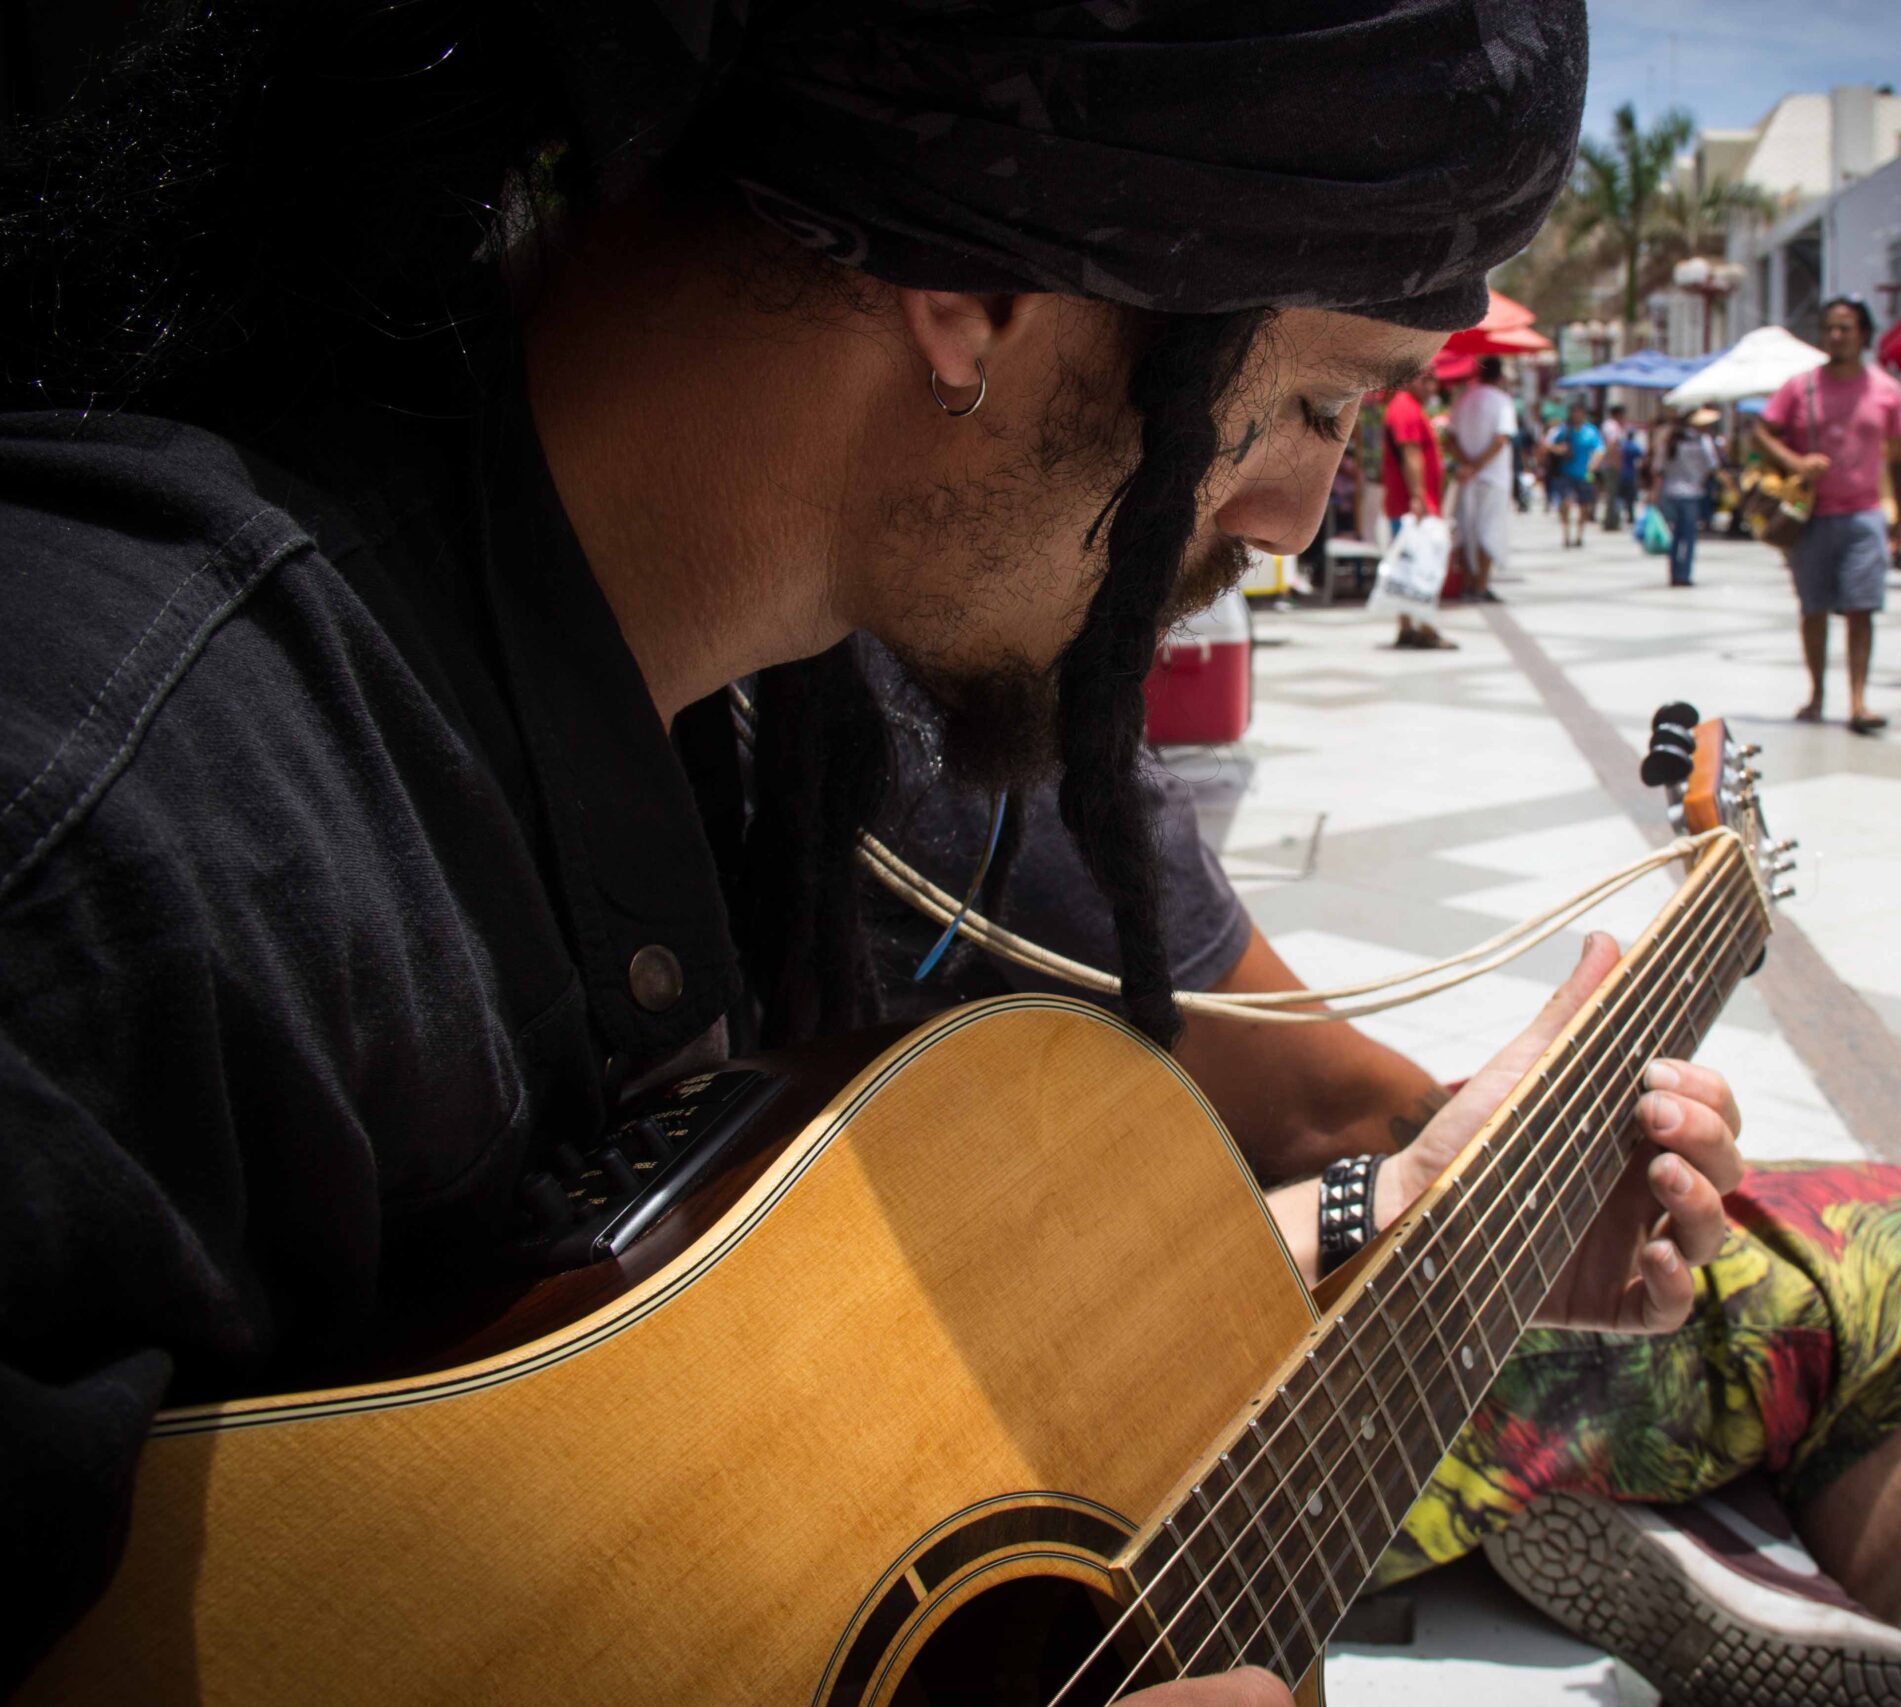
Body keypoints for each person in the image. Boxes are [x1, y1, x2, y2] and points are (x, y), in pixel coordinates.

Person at [0, 5, 1755, 1696]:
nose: (1303, 517)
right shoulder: (101, 855)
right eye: (1318, 406)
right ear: (981, 290)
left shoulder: (789, 734)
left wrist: (1425, 1215)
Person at [863, 666, 1901, 1706]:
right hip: (1210, 1469)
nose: (1290, 518)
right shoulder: (971, 718)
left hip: (1068, 1439)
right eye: (1306, 424)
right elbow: (1328, 1111)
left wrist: (1432, 1183)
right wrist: (1430, 1182)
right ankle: (1744, 1548)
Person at [1755, 297, 1901, 735]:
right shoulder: (1799, 387)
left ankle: (1858, 700)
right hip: (1812, 516)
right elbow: (1763, 431)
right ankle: (1817, 693)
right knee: (1814, 608)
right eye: (1829, 328)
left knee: (1862, 609)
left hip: (1865, 515)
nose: (1836, 336)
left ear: (1863, 334)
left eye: (1845, 328)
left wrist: (1899, 514)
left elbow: (1898, 456)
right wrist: (1797, 463)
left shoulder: (1886, 391)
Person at [1380, 368, 1457, 648]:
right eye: (1427, 379)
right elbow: (1410, 451)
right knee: (1423, 568)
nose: (1432, 386)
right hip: (1413, 506)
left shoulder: (1406, 406)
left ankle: (1407, 627)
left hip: (1409, 504)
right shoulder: (1405, 407)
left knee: (1408, 569)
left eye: (1434, 380)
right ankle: (1424, 628)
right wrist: (1418, 496)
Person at [1448, 355, 1518, 603]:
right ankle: (1481, 584)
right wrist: (1477, 465)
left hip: (1468, 477)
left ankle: (1467, 581)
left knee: (1466, 529)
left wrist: (1467, 464)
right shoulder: (1502, 401)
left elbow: (1451, 438)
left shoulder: (1463, 399)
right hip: (1493, 477)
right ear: (1499, 376)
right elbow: (1501, 439)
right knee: (1489, 531)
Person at [1648, 408, 1721, 588]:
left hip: (1670, 492)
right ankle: (1684, 574)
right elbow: (1712, 465)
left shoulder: (1670, 442)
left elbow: (1658, 469)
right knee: (1688, 536)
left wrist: (1654, 494)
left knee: (1674, 535)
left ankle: (1673, 572)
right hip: (1693, 493)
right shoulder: (1702, 441)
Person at [1552, 400, 1604, 548]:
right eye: (1574, 411)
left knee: (1584, 506)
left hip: (1584, 474)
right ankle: (1566, 533)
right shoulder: (1564, 430)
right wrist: (1559, 450)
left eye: (1579, 411)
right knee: (1566, 503)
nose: (1576, 415)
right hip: (1566, 473)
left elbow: (1600, 449)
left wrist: (1593, 464)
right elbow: (1549, 445)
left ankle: (1579, 535)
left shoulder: (1591, 431)